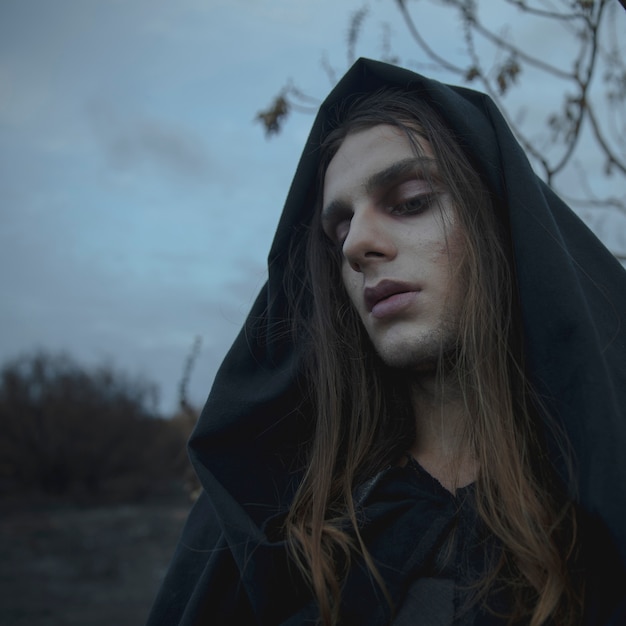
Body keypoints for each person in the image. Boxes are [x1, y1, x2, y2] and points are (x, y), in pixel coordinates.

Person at [146, 59, 626, 625]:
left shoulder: (601, 494)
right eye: (340, 227)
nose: (358, 245)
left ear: (498, 223)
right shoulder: (272, 526)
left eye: (411, 201)